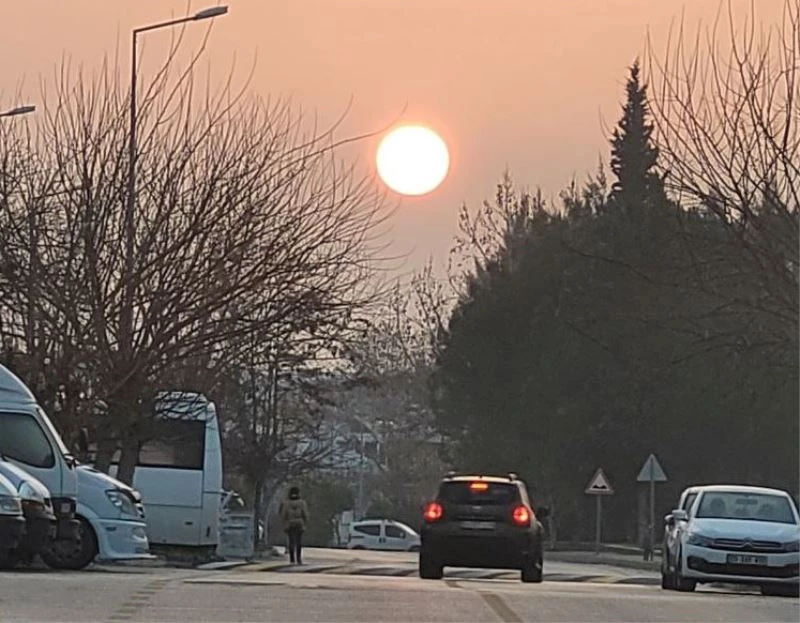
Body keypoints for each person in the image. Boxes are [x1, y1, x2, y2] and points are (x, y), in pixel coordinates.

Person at [280, 486, 309, 564]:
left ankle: (292, 559)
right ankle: (299, 559)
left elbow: (283, 515)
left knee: (291, 541)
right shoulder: (302, 503)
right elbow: (305, 514)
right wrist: (305, 523)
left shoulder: (286, 503)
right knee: (299, 542)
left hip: (290, 523)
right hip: (299, 523)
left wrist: (284, 524)